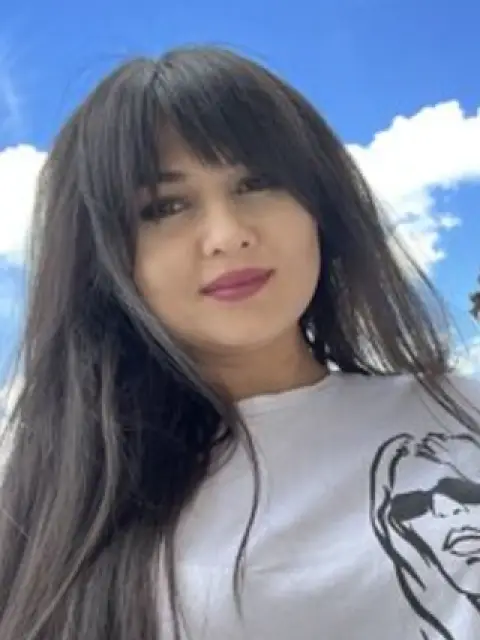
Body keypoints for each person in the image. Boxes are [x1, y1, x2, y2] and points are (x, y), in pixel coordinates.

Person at [0, 45, 478, 640]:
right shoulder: (64, 513)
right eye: (165, 207)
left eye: (256, 183)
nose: (227, 235)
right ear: (103, 259)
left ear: (320, 209)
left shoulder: (460, 406)